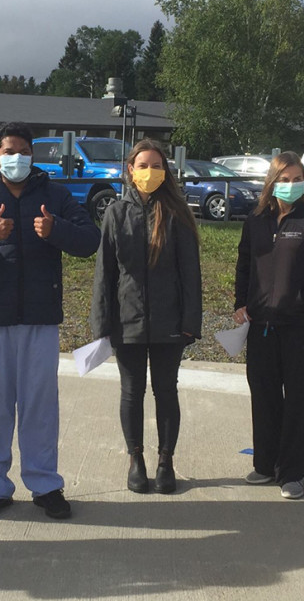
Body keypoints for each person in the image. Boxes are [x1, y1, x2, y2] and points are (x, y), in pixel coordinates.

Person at [0, 121, 100, 520]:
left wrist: (56, 230)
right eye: (9, 152)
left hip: (40, 318)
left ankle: (45, 485)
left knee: (39, 406)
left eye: (24, 152)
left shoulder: (56, 195)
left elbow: (90, 240)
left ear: (33, 156)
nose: (17, 158)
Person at [90, 140, 202, 494]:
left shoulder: (178, 214)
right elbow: (104, 274)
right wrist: (101, 324)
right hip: (128, 320)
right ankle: (135, 459)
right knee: (131, 391)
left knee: (166, 391)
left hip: (170, 320)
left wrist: (190, 322)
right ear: (130, 170)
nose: (149, 172)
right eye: (143, 165)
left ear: (165, 171)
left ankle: (166, 461)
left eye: (156, 165)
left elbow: (191, 273)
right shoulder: (115, 213)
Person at [233, 151, 304, 499]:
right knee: (263, 397)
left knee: (296, 401)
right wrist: (240, 303)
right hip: (260, 326)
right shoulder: (255, 220)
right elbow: (244, 264)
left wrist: (303, 299)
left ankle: (292, 473)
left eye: (297, 179)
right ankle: (266, 464)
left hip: (300, 328)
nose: (291, 185)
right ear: (272, 182)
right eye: (284, 179)